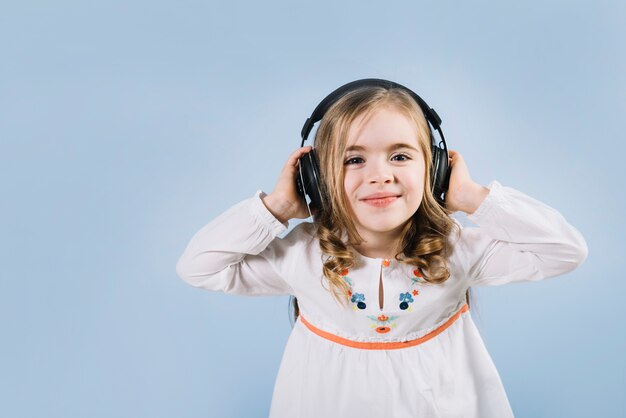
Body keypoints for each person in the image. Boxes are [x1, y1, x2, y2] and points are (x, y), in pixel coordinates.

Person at [176, 80, 588, 418]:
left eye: (399, 156)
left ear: (436, 170)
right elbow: (199, 267)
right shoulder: (300, 256)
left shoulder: (456, 249)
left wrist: (473, 197)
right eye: (354, 160)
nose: (380, 176)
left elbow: (565, 251)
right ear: (315, 179)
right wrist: (277, 208)